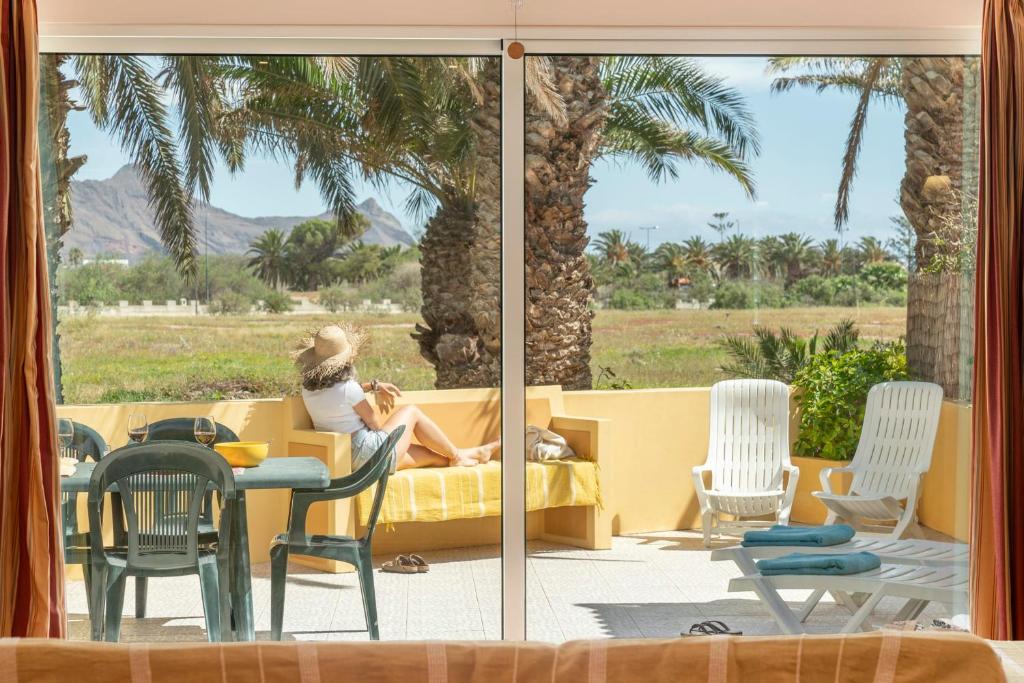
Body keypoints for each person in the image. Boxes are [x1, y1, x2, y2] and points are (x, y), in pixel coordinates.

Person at [295, 323, 500, 472]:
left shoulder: (308, 390)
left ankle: (479, 452)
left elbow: (338, 394)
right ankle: (457, 455)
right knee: (411, 412)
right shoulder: (349, 389)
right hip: (369, 451)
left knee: (435, 457)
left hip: (348, 461)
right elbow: (375, 424)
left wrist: (371, 386)